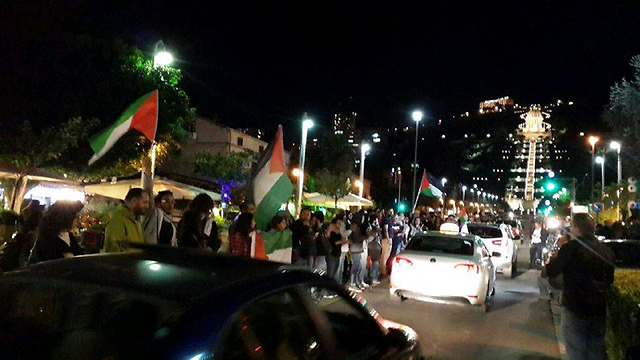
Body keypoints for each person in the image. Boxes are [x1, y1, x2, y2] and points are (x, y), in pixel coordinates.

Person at [546, 213, 615, 360]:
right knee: (596, 352)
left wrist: (556, 253)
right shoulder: (606, 251)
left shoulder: (570, 248)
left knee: (576, 353)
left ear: (576, 229)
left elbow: (552, 271)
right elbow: (609, 280)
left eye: (571, 227)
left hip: (575, 308)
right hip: (598, 310)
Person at [0, 200, 43, 271]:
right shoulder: (38, 213)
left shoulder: (26, 211)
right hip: (28, 235)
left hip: (24, 234)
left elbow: (19, 221)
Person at [104, 188, 149, 253]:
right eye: (145, 202)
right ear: (134, 201)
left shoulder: (137, 221)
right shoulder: (117, 220)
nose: (147, 206)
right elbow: (113, 249)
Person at [325, 217, 347, 282]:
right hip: (331, 252)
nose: (340, 224)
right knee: (331, 271)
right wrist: (341, 241)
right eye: (338, 223)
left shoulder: (339, 231)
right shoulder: (331, 231)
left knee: (335, 270)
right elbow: (332, 242)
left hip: (337, 252)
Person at [348, 222, 367, 292]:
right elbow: (355, 240)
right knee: (355, 268)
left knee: (358, 267)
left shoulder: (359, 232)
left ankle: (356, 282)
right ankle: (352, 284)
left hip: (358, 250)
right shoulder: (352, 233)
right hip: (354, 251)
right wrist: (365, 236)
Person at [379, 209, 393, 278]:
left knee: (385, 256)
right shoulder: (386, 219)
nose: (391, 212)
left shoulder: (387, 219)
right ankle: (383, 272)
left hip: (386, 239)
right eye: (390, 211)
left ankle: (383, 271)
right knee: (384, 256)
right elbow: (386, 230)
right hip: (386, 239)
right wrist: (388, 239)